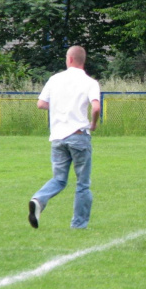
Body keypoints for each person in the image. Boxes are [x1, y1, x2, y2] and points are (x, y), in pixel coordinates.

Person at [28, 46, 101, 230]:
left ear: (69, 59)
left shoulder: (54, 79)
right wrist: (93, 123)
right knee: (82, 184)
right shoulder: (90, 82)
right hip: (78, 136)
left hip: (58, 137)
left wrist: (60, 107)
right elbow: (96, 107)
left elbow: (41, 104)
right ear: (83, 61)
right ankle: (78, 225)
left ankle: (39, 199)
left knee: (59, 179)